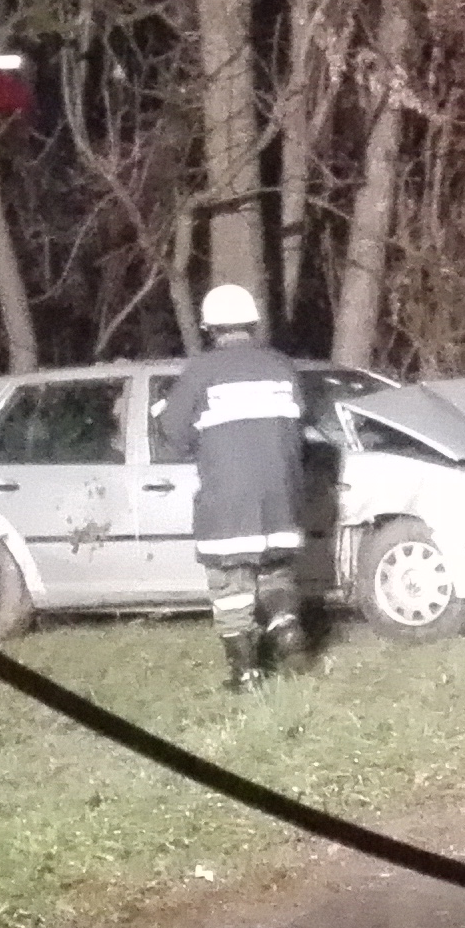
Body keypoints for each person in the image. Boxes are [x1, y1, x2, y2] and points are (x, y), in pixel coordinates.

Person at [154, 283, 313, 691]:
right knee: (275, 571)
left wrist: (163, 412)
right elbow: (300, 425)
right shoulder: (281, 366)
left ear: (210, 328)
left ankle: (246, 673)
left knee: (230, 586)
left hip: (228, 503)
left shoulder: (202, 371)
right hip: (281, 497)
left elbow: (175, 436)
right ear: (252, 324)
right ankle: (287, 629)